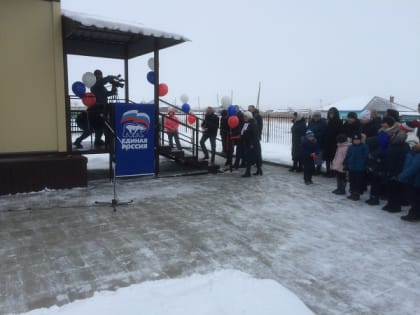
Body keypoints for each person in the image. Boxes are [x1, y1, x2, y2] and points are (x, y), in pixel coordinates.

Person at [73, 69, 117, 148]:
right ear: (94, 77)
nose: (99, 77)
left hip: (102, 108)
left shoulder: (101, 86)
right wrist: (110, 77)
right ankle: (78, 140)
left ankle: (97, 140)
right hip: (95, 109)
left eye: (100, 75)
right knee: (92, 129)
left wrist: (114, 85)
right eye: (97, 75)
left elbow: (108, 94)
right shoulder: (94, 84)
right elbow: (102, 81)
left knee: (100, 126)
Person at [398, 142, 420, 222]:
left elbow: (413, 168)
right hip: (415, 180)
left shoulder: (418, 156)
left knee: (415, 199)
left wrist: (402, 176)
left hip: (416, 181)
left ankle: (414, 215)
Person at [345, 132, 369, 201]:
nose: (356, 141)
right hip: (352, 166)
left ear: (360, 140)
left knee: (358, 181)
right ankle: (352, 192)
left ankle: (357, 194)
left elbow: (366, 156)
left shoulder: (364, 146)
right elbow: (348, 155)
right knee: (352, 180)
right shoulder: (351, 147)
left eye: (358, 139)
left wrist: (365, 163)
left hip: (360, 167)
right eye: (355, 140)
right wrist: (346, 163)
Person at [323, 107, 343, 177]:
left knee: (333, 158)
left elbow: (339, 132)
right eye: (330, 113)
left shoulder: (338, 122)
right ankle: (328, 171)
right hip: (327, 142)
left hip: (334, 143)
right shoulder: (328, 121)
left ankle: (333, 172)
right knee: (327, 158)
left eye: (332, 114)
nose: (331, 115)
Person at [240, 111, 261, 177]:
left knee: (250, 158)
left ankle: (248, 173)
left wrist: (252, 144)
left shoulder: (253, 123)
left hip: (252, 144)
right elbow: (244, 131)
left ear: (248, 117)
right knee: (254, 157)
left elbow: (255, 135)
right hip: (247, 142)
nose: (244, 118)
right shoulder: (247, 123)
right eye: (244, 116)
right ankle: (259, 170)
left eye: (245, 116)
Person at [248, 105, 263, 174]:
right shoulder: (250, 116)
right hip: (251, 137)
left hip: (256, 136)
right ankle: (256, 165)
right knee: (253, 152)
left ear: (253, 109)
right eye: (248, 109)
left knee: (257, 151)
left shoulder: (258, 116)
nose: (249, 110)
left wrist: (258, 135)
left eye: (250, 109)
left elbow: (260, 127)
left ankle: (259, 164)